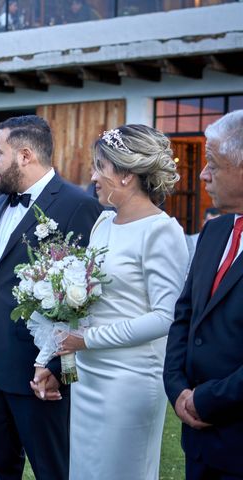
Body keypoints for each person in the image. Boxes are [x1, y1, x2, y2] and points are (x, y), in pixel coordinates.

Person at [0, 115, 102, 480]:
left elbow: (86, 297)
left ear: (24, 155)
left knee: (53, 470)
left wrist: (56, 367)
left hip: (37, 373)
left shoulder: (78, 206)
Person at [57, 125, 188, 479]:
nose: (93, 176)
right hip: (88, 375)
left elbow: (165, 317)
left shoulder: (161, 231)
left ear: (127, 174)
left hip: (129, 380)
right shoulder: (103, 223)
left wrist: (89, 340)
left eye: (100, 166)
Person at [164, 110, 243, 479]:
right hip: (198, 441)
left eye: (213, 164)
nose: (202, 175)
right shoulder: (213, 232)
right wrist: (177, 389)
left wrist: (207, 400)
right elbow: (185, 315)